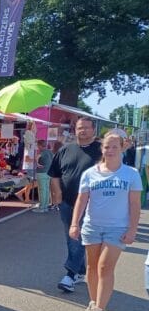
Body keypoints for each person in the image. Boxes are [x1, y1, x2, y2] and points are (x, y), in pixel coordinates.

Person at [69, 131, 141, 311]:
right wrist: (75, 223)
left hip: (117, 228)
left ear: (121, 148)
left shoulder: (131, 174)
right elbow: (82, 199)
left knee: (104, 266)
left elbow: (135, 204)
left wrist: (133, 229)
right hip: (92, 226)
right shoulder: (90, 174)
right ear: (102, 149)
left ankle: (99, 310)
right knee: (92, 267)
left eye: (114, 146)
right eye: (106, 147)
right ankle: (94, 302)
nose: (110, 150)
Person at [48, 117, 102, 293]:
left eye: (86, 128)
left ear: (93, 130)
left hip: (91, 204)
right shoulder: (65, 150)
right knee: (70, 237)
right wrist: (57, 195)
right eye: (80, 128)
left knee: (77, 237)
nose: (83, 131)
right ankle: (80, 271)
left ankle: (70, 275)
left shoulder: (101, 151)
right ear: (75, 130)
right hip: (66, 202)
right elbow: (54, 174)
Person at [34, 140, 53, 212]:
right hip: (48, 172)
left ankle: (42, 207)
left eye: (38, 145)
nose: (37, 147)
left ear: (40, 145)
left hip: (41, 172)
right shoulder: (50, 152)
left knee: (42, 190)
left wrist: (37, 163)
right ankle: (45, 206)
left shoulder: (41, 152)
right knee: (47, 189)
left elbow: (37, 157)